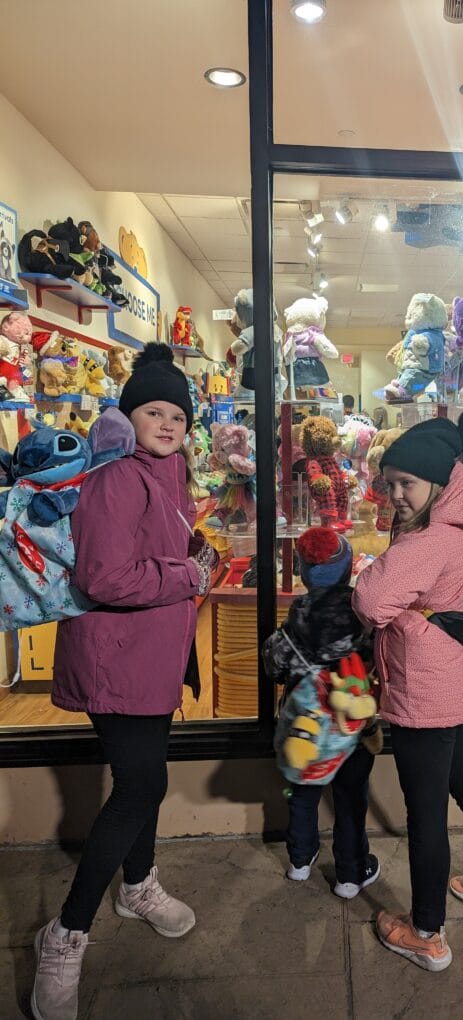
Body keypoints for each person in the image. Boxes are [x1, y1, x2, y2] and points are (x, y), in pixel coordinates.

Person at [32, 344, 220, 1020]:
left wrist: (192, 552)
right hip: (117, 657)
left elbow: (151, 547)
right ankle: (65, 934)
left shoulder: (166, 472)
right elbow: (105, 576)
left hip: (152, 654)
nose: (168, 425)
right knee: (142, 785)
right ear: (128, 416)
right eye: (153, 412)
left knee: (146, 777)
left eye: (178, 416)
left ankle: (137, 884)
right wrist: (189, 574)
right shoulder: (116, 475)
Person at [352, 418, 463, 973]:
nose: (396, 495)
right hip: (461, 681)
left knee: (426, 815)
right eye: (390, 483)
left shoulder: (433, 539)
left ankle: (426, 932)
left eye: (407, 483)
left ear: (436, 482)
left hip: (425, 692)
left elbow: (370, 602)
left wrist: (372, 578)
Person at [263, 527, 380, 897]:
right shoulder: (364, 619)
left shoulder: (295, 621)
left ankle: (299, 860)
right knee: (351, 801)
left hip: (305, 728)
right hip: (352, 728)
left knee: (301, 793)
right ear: (347, 572)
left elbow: (274, 666)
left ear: (303, 573)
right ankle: (350, 874)